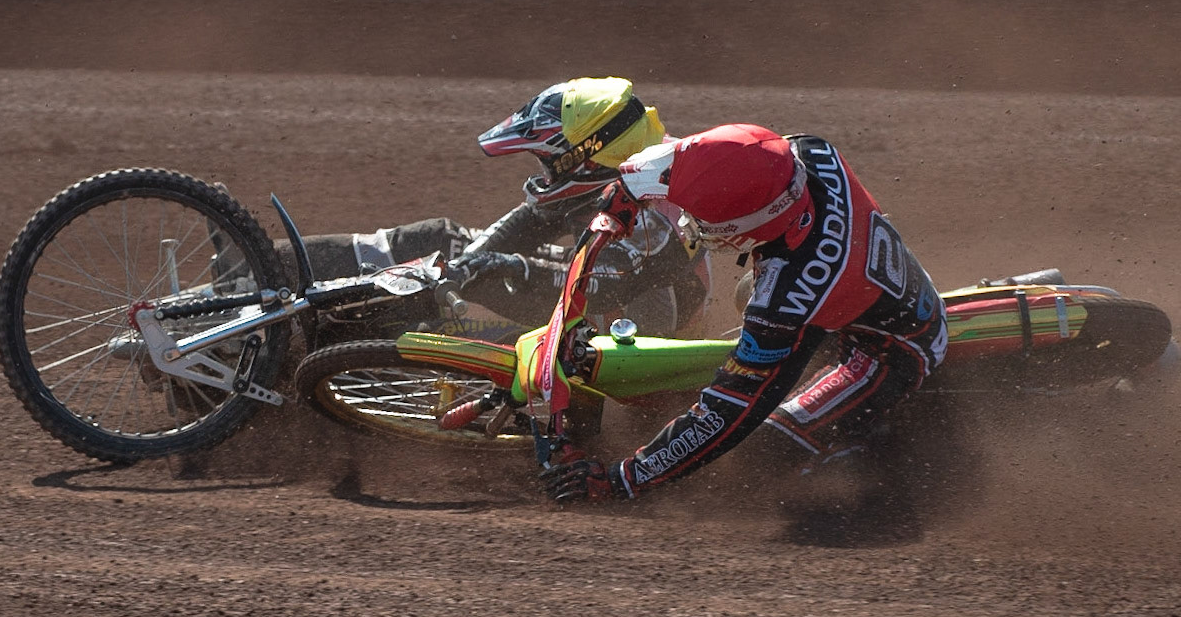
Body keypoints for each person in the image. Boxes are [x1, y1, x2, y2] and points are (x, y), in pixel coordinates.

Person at [540, 123, 948, 541]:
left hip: (889, 348)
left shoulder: (788, 297)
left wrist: (623, 479)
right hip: (860, 288)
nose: (689, 222)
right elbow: (716, 156)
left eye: (703, 219)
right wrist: (626, 193)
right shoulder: (804, 153)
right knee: (747, 304)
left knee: (761, 447)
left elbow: (728, 411)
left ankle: (879, 483)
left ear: (753, 224)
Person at [302, 77, 711, 337]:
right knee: (447, 244)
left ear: (584, 159)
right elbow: (534, 219)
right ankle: (285, 273)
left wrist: (503, 266)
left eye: (548, 162)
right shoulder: (625, 162)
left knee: (487, 282)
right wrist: (462, 265)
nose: (543, 175)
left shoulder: (655, 208)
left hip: (631, 333)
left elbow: (603, 286)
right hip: (600, 287)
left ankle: (359, 348)